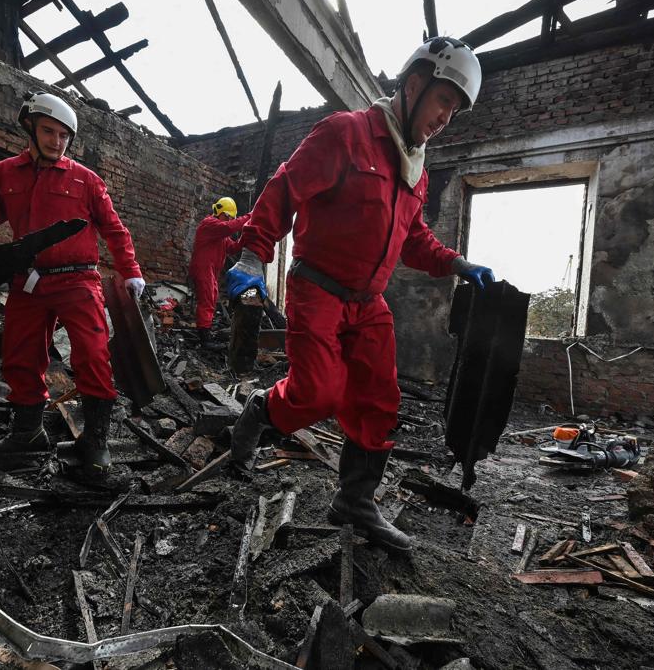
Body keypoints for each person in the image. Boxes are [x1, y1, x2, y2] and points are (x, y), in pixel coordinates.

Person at [225, 38, 495, 551]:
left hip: (368, 302)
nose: (446, 118)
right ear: (414, 85)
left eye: (455, 111)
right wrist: (253, 254)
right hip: (318, 288)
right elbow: (285, 190)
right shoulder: (346, 133)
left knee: (377, 399)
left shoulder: (415, 166)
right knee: (319, 393)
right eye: (444, 101)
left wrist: (455, 262)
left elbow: (412, 237)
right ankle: (261, 411)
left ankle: (354, 501)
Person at [0, 91, 145, 478]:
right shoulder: (3, 174)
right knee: (20, 357)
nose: (57, 141)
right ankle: (27, 434)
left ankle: (95, 442)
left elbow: (114, 229)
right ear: (30, 128)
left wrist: (131, 270)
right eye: (49, 131)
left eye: (64, 136)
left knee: (91, 355)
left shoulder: (86, 180)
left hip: (79, 279)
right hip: (28, 282)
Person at [188, 197, 250, 349]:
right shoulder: (209, 224)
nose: (229, 220)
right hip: (203, 268)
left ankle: (206, 332)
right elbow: (229, 227)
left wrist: (246, 236)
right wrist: (251, 216)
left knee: (211, 298)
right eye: (228, 217)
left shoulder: (220, 235)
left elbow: (233, 248)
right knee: (207, 300)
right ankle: (205, 340)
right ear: (221, 213)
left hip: (211, 270)